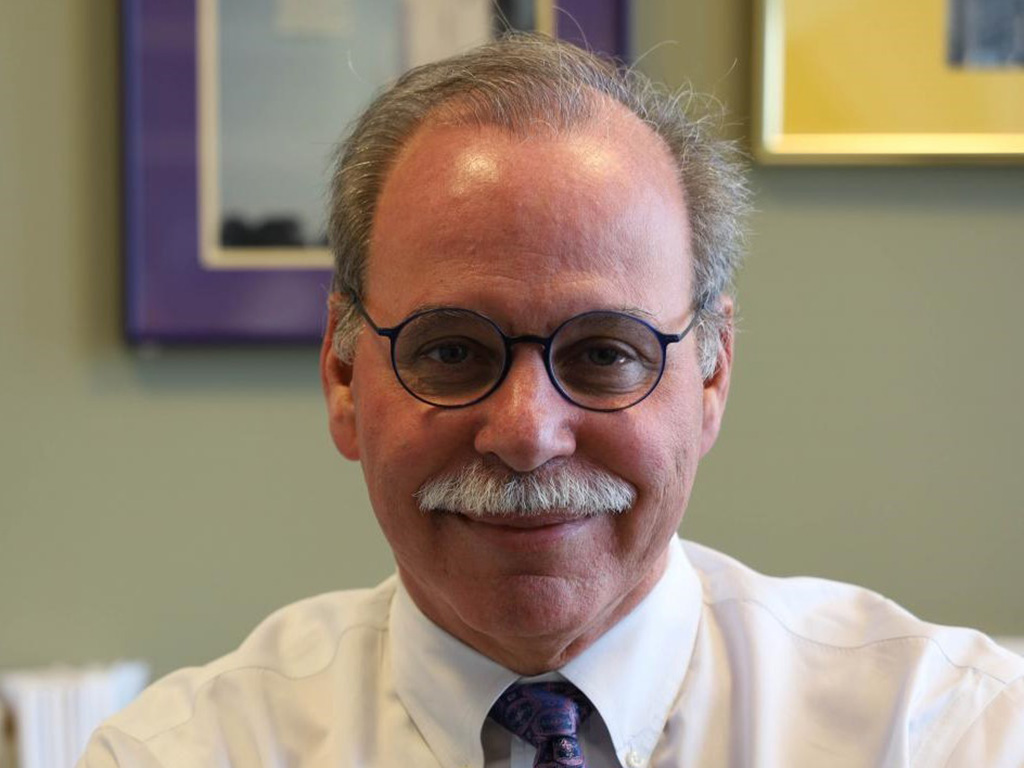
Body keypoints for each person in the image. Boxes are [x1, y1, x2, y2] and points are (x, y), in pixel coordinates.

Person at [80, 33, 1023, 767]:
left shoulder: (944, 732)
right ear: (341, 374)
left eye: (605, 354)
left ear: (711, 375)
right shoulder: (183, 752)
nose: (527, 432)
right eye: (451, 351)